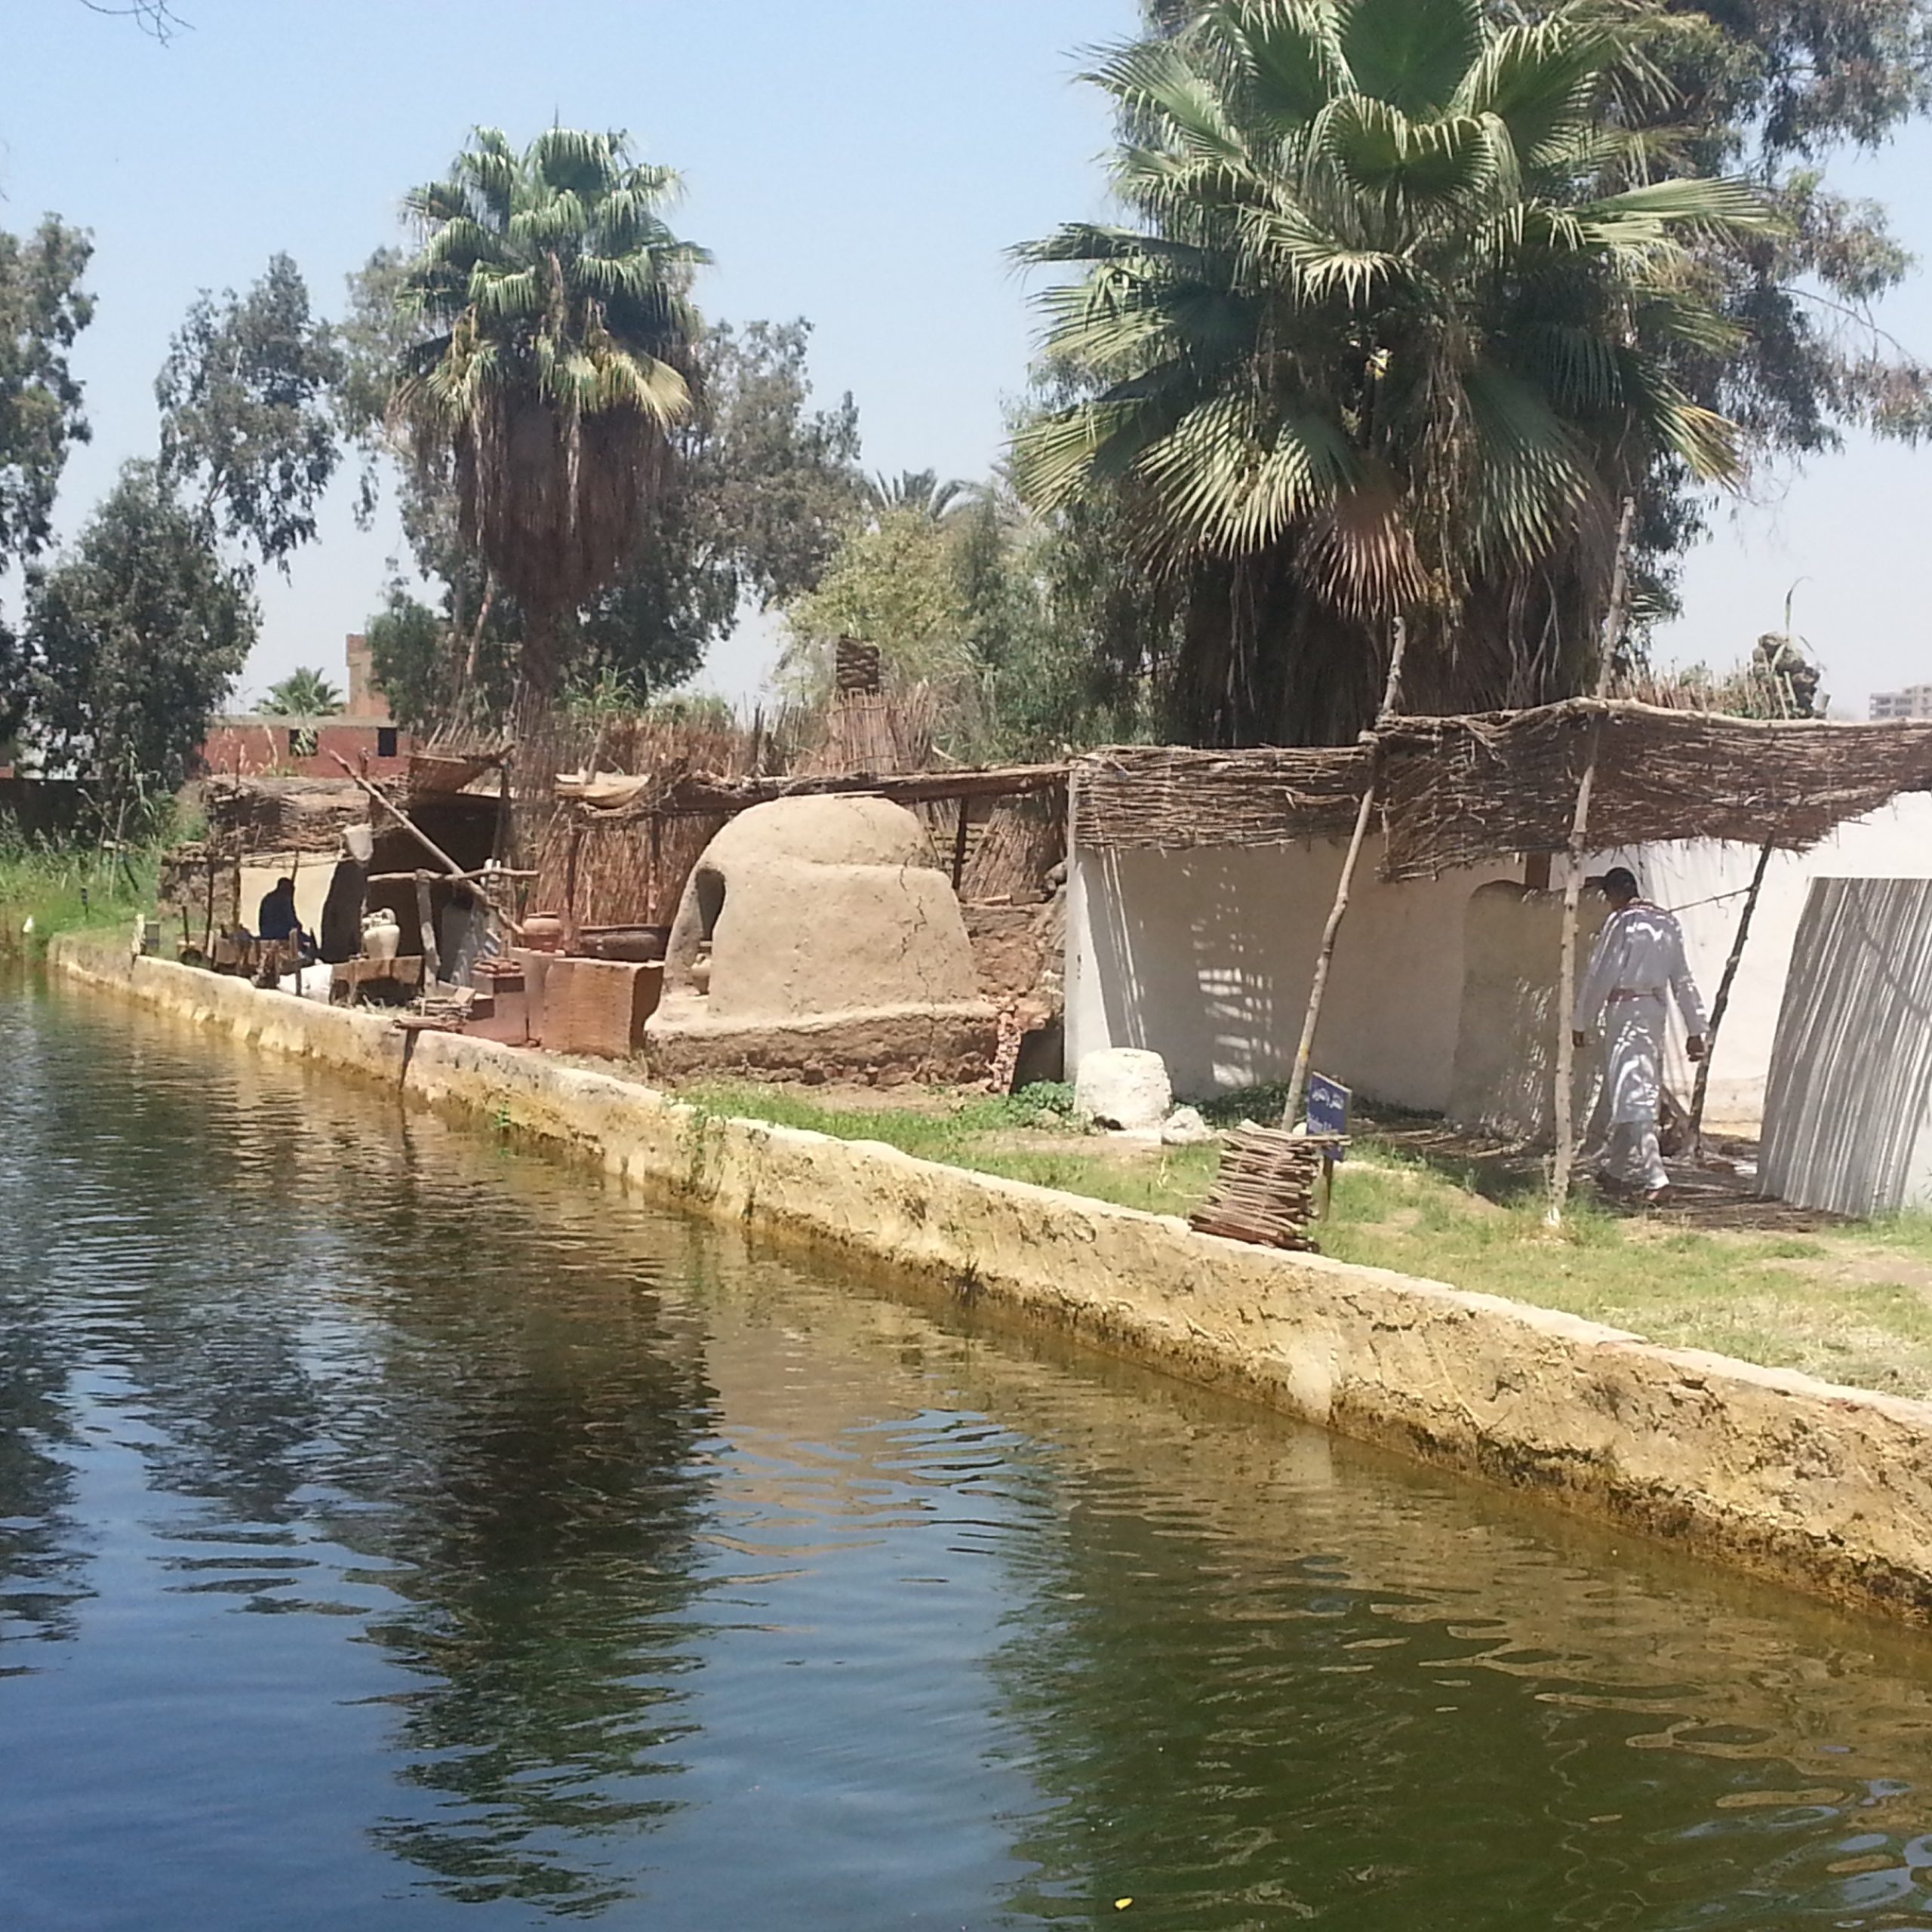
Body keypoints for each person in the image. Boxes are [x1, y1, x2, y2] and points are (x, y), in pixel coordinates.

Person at [1571, 866, 1708, 1204]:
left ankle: (1656, 1178)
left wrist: (1581, 1020)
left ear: (1613, 894)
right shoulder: (1667, 923)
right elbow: (1683, 979)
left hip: (1626, 1011)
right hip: (1654, 1012)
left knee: (1634, 1094)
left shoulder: (1621, 923)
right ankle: (1615, 1171)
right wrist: (1695, 1029)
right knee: (1631, 1089)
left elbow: (1601, 973)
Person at [257, 876, 301, 945]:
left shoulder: (268, 898)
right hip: (280, 934)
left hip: (266, 934)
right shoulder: (284, 899)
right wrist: (298, 926)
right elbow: (291, 919)